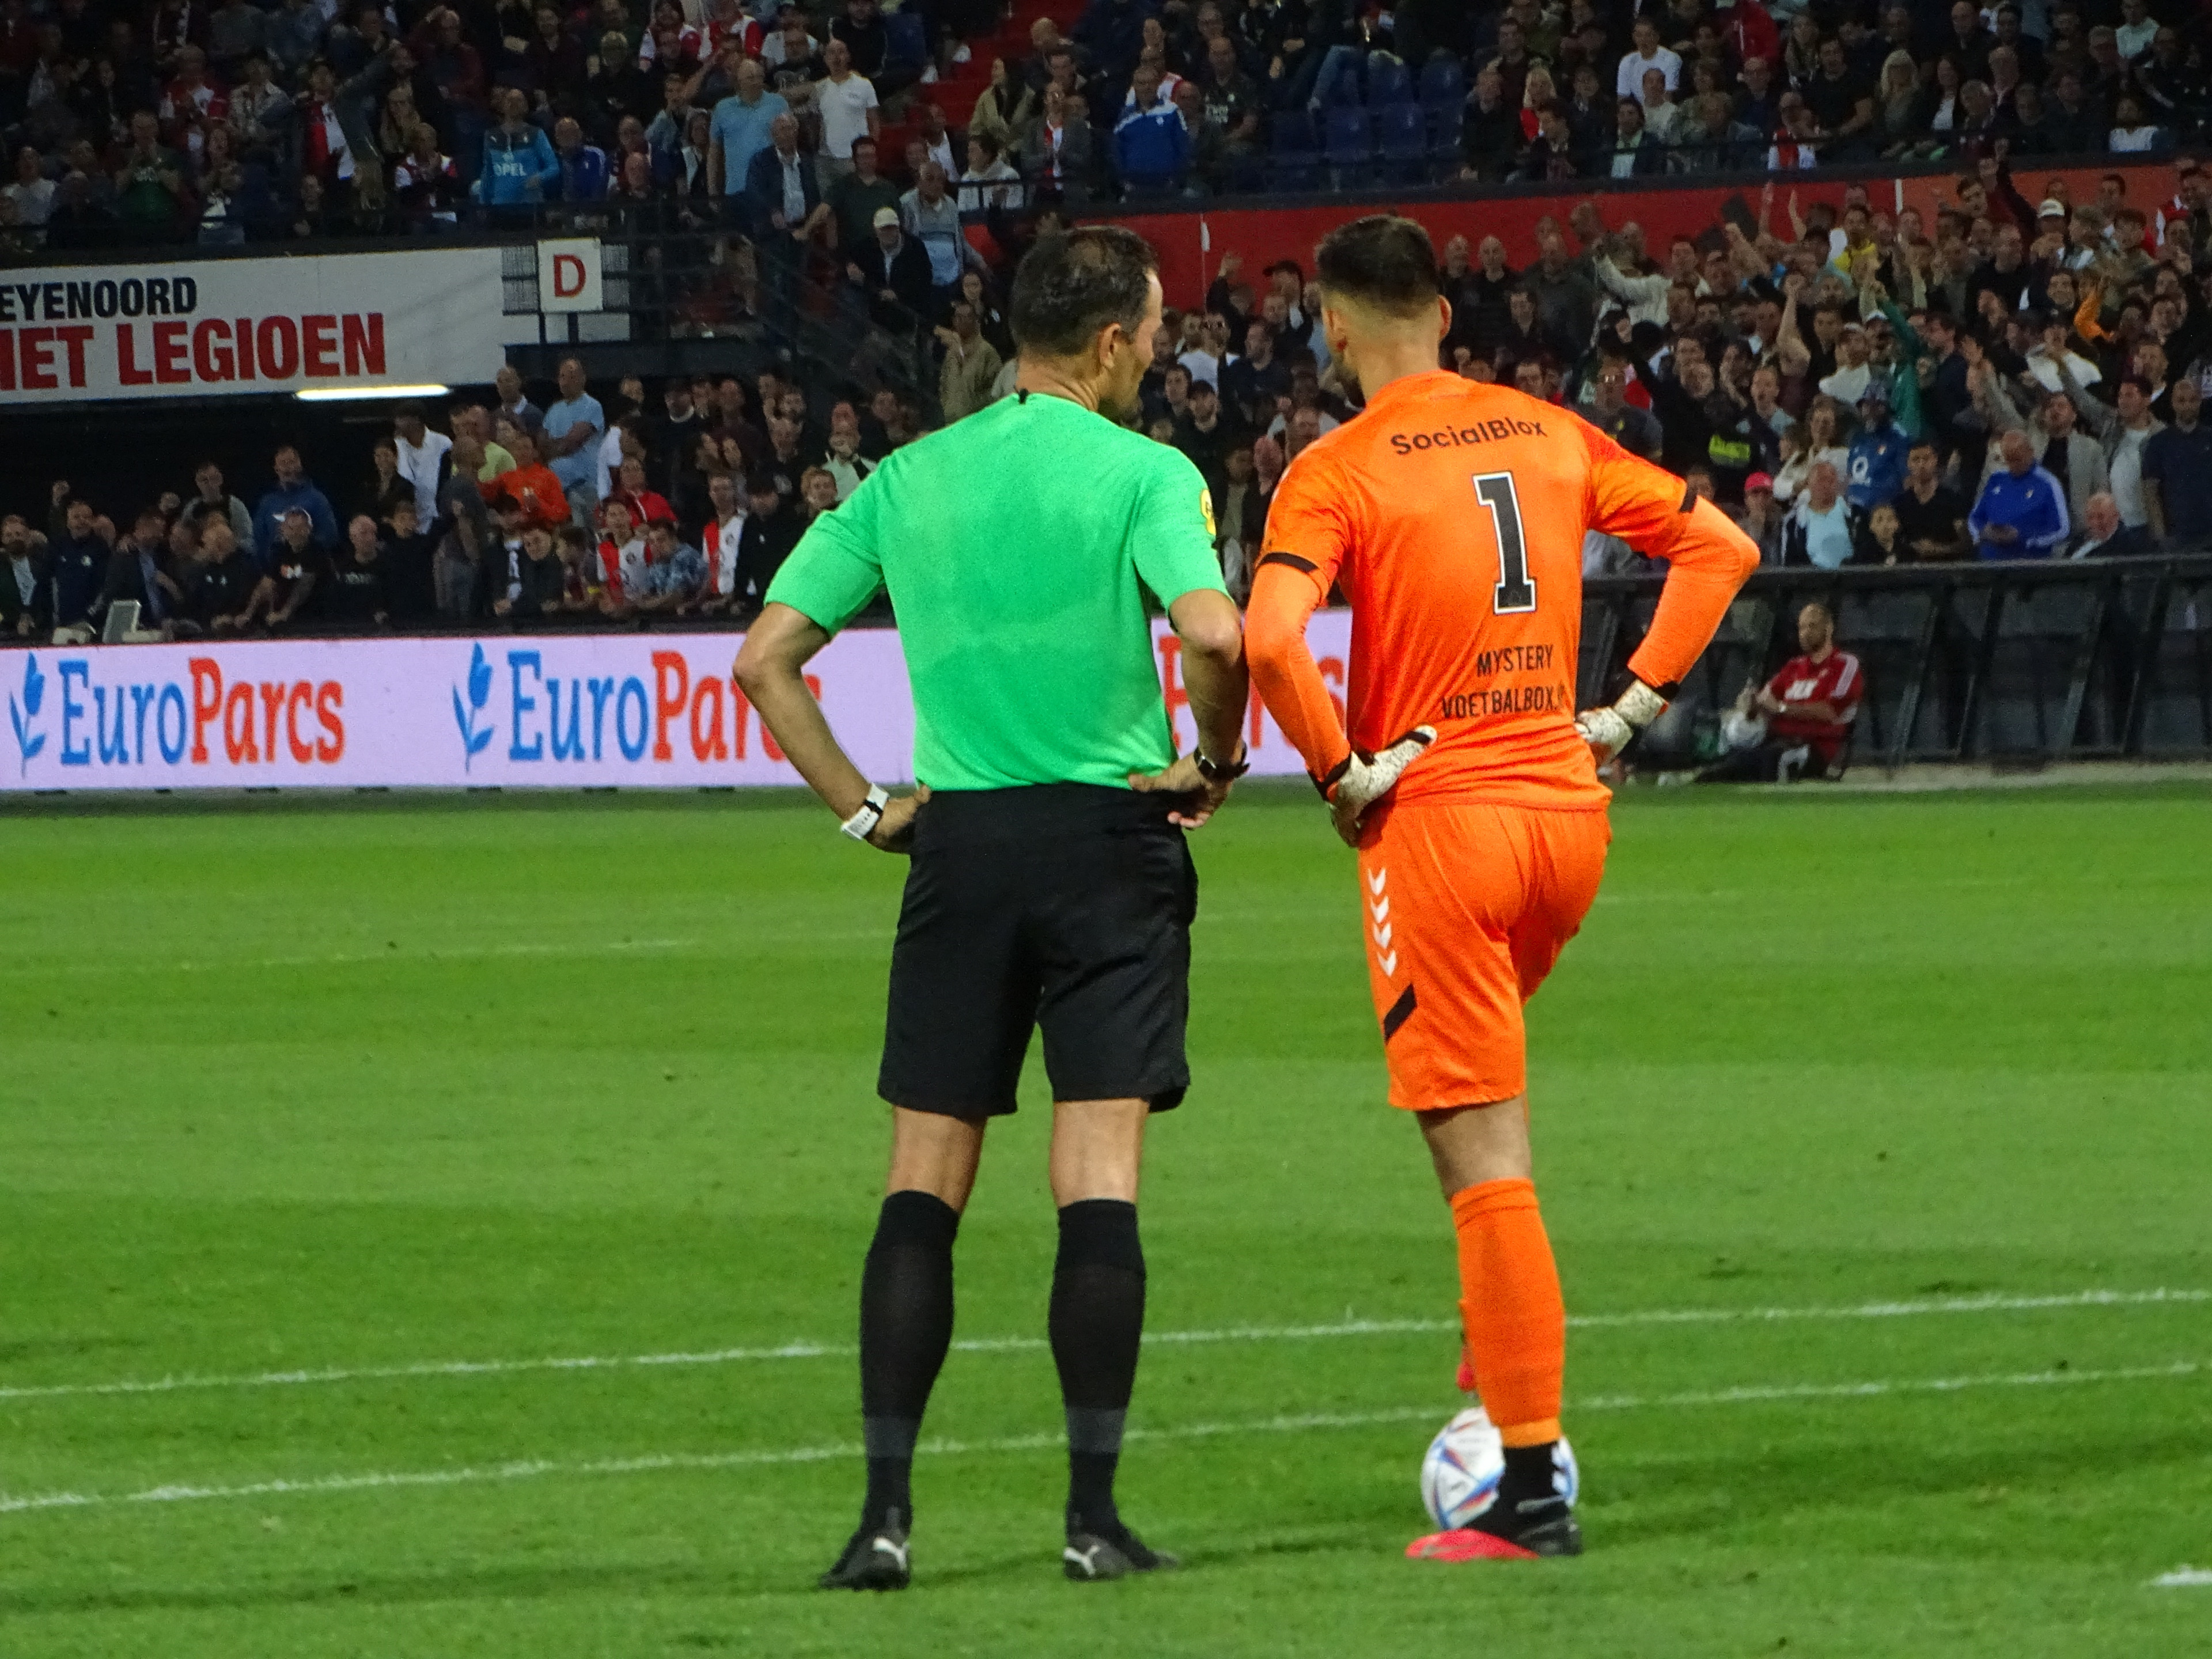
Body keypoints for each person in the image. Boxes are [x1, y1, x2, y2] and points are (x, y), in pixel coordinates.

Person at [733, 225, 1249, 1592]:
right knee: (1097, 1180)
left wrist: (861, 805)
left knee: (923, 1183)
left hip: (956, 846)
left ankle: (884, 1521)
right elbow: (1213, 635)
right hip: (1104, 841)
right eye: (1148, 335)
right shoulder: (1145, 471)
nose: (1155, 355)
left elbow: (766, 660)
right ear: (1105, 345)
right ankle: (1090, 1520)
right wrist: (1213, 758)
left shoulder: (907, 478)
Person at [1243, 215, 1758, 1565]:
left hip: (1442, 829)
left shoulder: (1334, 466)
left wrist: (1341, 771)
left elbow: (1268, 638)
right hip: (1563, 820)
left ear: (1333, 322)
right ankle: (1497, 1363)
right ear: (1443, 314)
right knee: (1491, 1116)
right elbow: (1725, 552)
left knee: (1481, 1163)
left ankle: (1527, 1491)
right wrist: (1633, 702)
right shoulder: (1543, 432)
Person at [1698, 603, 1863, 782]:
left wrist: (1782, 708)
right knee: (1733, 760)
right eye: (1801, 628)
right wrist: (1751, 703)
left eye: (1812, 626)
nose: (1805, 633)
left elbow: (1830, 712)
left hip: (1813, 746)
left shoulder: (1844, 664)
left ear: (1829, 628)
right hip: (1776, 741)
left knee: (1763, 763)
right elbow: (1766, 699)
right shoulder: (1794, 667)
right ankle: (1698, 785)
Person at [1969, 429, 2070, 558]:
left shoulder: (2048, 483)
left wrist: (2022, 537)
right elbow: (1975, 517)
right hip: (1990, 562)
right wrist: (1983, 533)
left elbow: (2061, 529)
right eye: (2009, 459)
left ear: (2030, 452)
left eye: (2017, 459)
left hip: (2027, 564)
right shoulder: (1996, 479)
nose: (2013, 465)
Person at [2142, 376, 2212, 546]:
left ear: (2200, 402)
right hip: (2175, 534)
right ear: (2172, 403)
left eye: (2193, 400)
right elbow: (2151, 491)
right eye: (2181, 401)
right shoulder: (2158, 443)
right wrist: (2160, 536)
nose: (2187, 406)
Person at [541, 357, 604, 525]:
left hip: (586, 484)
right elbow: (541, 446)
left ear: (583, 379)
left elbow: (571, 443)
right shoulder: (554, 410)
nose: (566, 381)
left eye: (572, 376)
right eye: (562, 376)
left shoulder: (592, 406)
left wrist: (556, 444)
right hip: (557, 488)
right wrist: (561, 443)